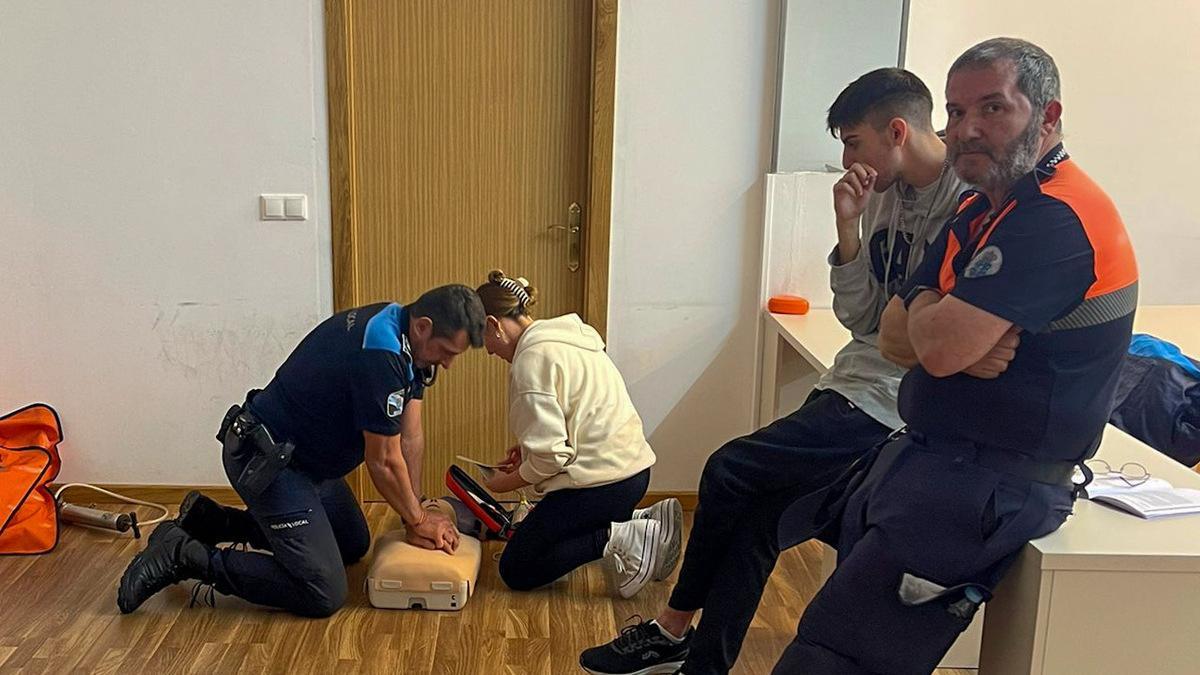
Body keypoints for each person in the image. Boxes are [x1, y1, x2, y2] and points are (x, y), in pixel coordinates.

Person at [581, 68, 968, 674]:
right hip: (853, 381)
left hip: (891, 406)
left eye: (854, 142)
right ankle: (698, 663)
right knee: (758, 526)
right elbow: (863, 319)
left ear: (897, 131)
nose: (848, 161)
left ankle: (672, 626)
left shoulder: (966, 204)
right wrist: (847, 227)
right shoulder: (881, 197)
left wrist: (899, 330)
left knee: (728, 469)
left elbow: (923, 341)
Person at [770, 38, 1138, 673]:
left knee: (831, 657)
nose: (966, 130)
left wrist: (932, 322)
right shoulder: (979, 205)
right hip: (931, 463)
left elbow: (935, 350)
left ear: (1047, 116)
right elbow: (890, 332)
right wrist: (934, 317)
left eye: (992, 109)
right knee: (833, 636)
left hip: (989, 487)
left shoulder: (1056, 218)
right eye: (956, 111)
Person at [117, 285, 486, 617]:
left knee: (352, 544)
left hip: (310, 465)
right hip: (269, 462)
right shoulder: (380, 355)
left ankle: (211, 522)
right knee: (323, 591)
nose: (448, 363)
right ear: (423, 326)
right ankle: (183, 555)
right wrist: (418, 521)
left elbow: (410, 437)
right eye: (446, 351)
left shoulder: (405, 339)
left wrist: (414, 510)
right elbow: (384, 461)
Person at [474, 270, 681, 599]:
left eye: (483, 338)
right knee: (544, 530)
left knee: (517, 567)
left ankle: (625, 537)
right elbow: (579, 418)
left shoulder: (530, 362)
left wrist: (505, 483)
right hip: (633, 473)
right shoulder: (570, 338)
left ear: (493, 324)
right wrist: (528, 450)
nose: (487, 351)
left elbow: (551, 459)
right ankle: (636, 519)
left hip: (602, 485)